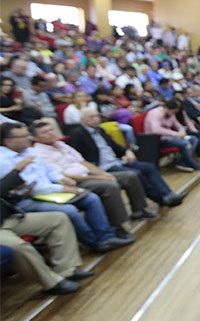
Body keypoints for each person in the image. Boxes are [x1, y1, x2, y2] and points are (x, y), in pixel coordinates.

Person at [0, 123, 133, 253]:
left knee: (91, 199)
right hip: (27, 199)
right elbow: (31, 187)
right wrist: (62, 188)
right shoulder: (3, 161)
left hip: (49, 191)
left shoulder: (29, 151)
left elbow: (48, 170)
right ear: (8, 141)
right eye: (23, 136)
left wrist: (61, 178)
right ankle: (95, 243)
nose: (28, 138)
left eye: (27, 134)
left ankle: (105, 236)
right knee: (69, 211)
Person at [31, 119, 157, 225]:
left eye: (51, 130)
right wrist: (100, 178)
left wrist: (103, 174)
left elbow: (84, 162)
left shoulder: (61, 144)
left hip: (88, 174)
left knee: (130, 175)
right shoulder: (39, 153)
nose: (50, 133)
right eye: (45, 132)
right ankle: (118, 225)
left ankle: (139, 210)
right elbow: (63, 176)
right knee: (110, 186)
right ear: (35, 138)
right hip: (75, 182)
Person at [67, 108, 186, 208]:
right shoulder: (77, 134)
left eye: (97, 116)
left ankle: (168, 194)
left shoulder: (100, 130)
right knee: (136, 174)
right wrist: (94, 170)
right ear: (82, 120)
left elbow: (114, 146)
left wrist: (127, 151)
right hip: (102, 167)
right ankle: (161, 199)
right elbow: (77, 158)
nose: (96, 119)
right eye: (91, 117)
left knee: (149, 167)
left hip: (116, 161)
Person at [2, 165, 93, 295]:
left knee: (58, 219)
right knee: (18, 246)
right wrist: (16, 172)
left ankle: (67, 270)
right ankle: (52, 283)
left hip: (7, 217)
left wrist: (17, 194)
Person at [144, 99, 200, 171]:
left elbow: (178, 126)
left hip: (170, 137)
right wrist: (176, 134)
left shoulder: (171, 113)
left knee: (193, 139)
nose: (173, 114)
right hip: (156, 140)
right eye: (173, 112)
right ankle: (191, 163)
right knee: (185, 143)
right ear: (167, 108)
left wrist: (182, 132)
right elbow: (156, 130)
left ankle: (183, 162)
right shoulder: (154, 113)